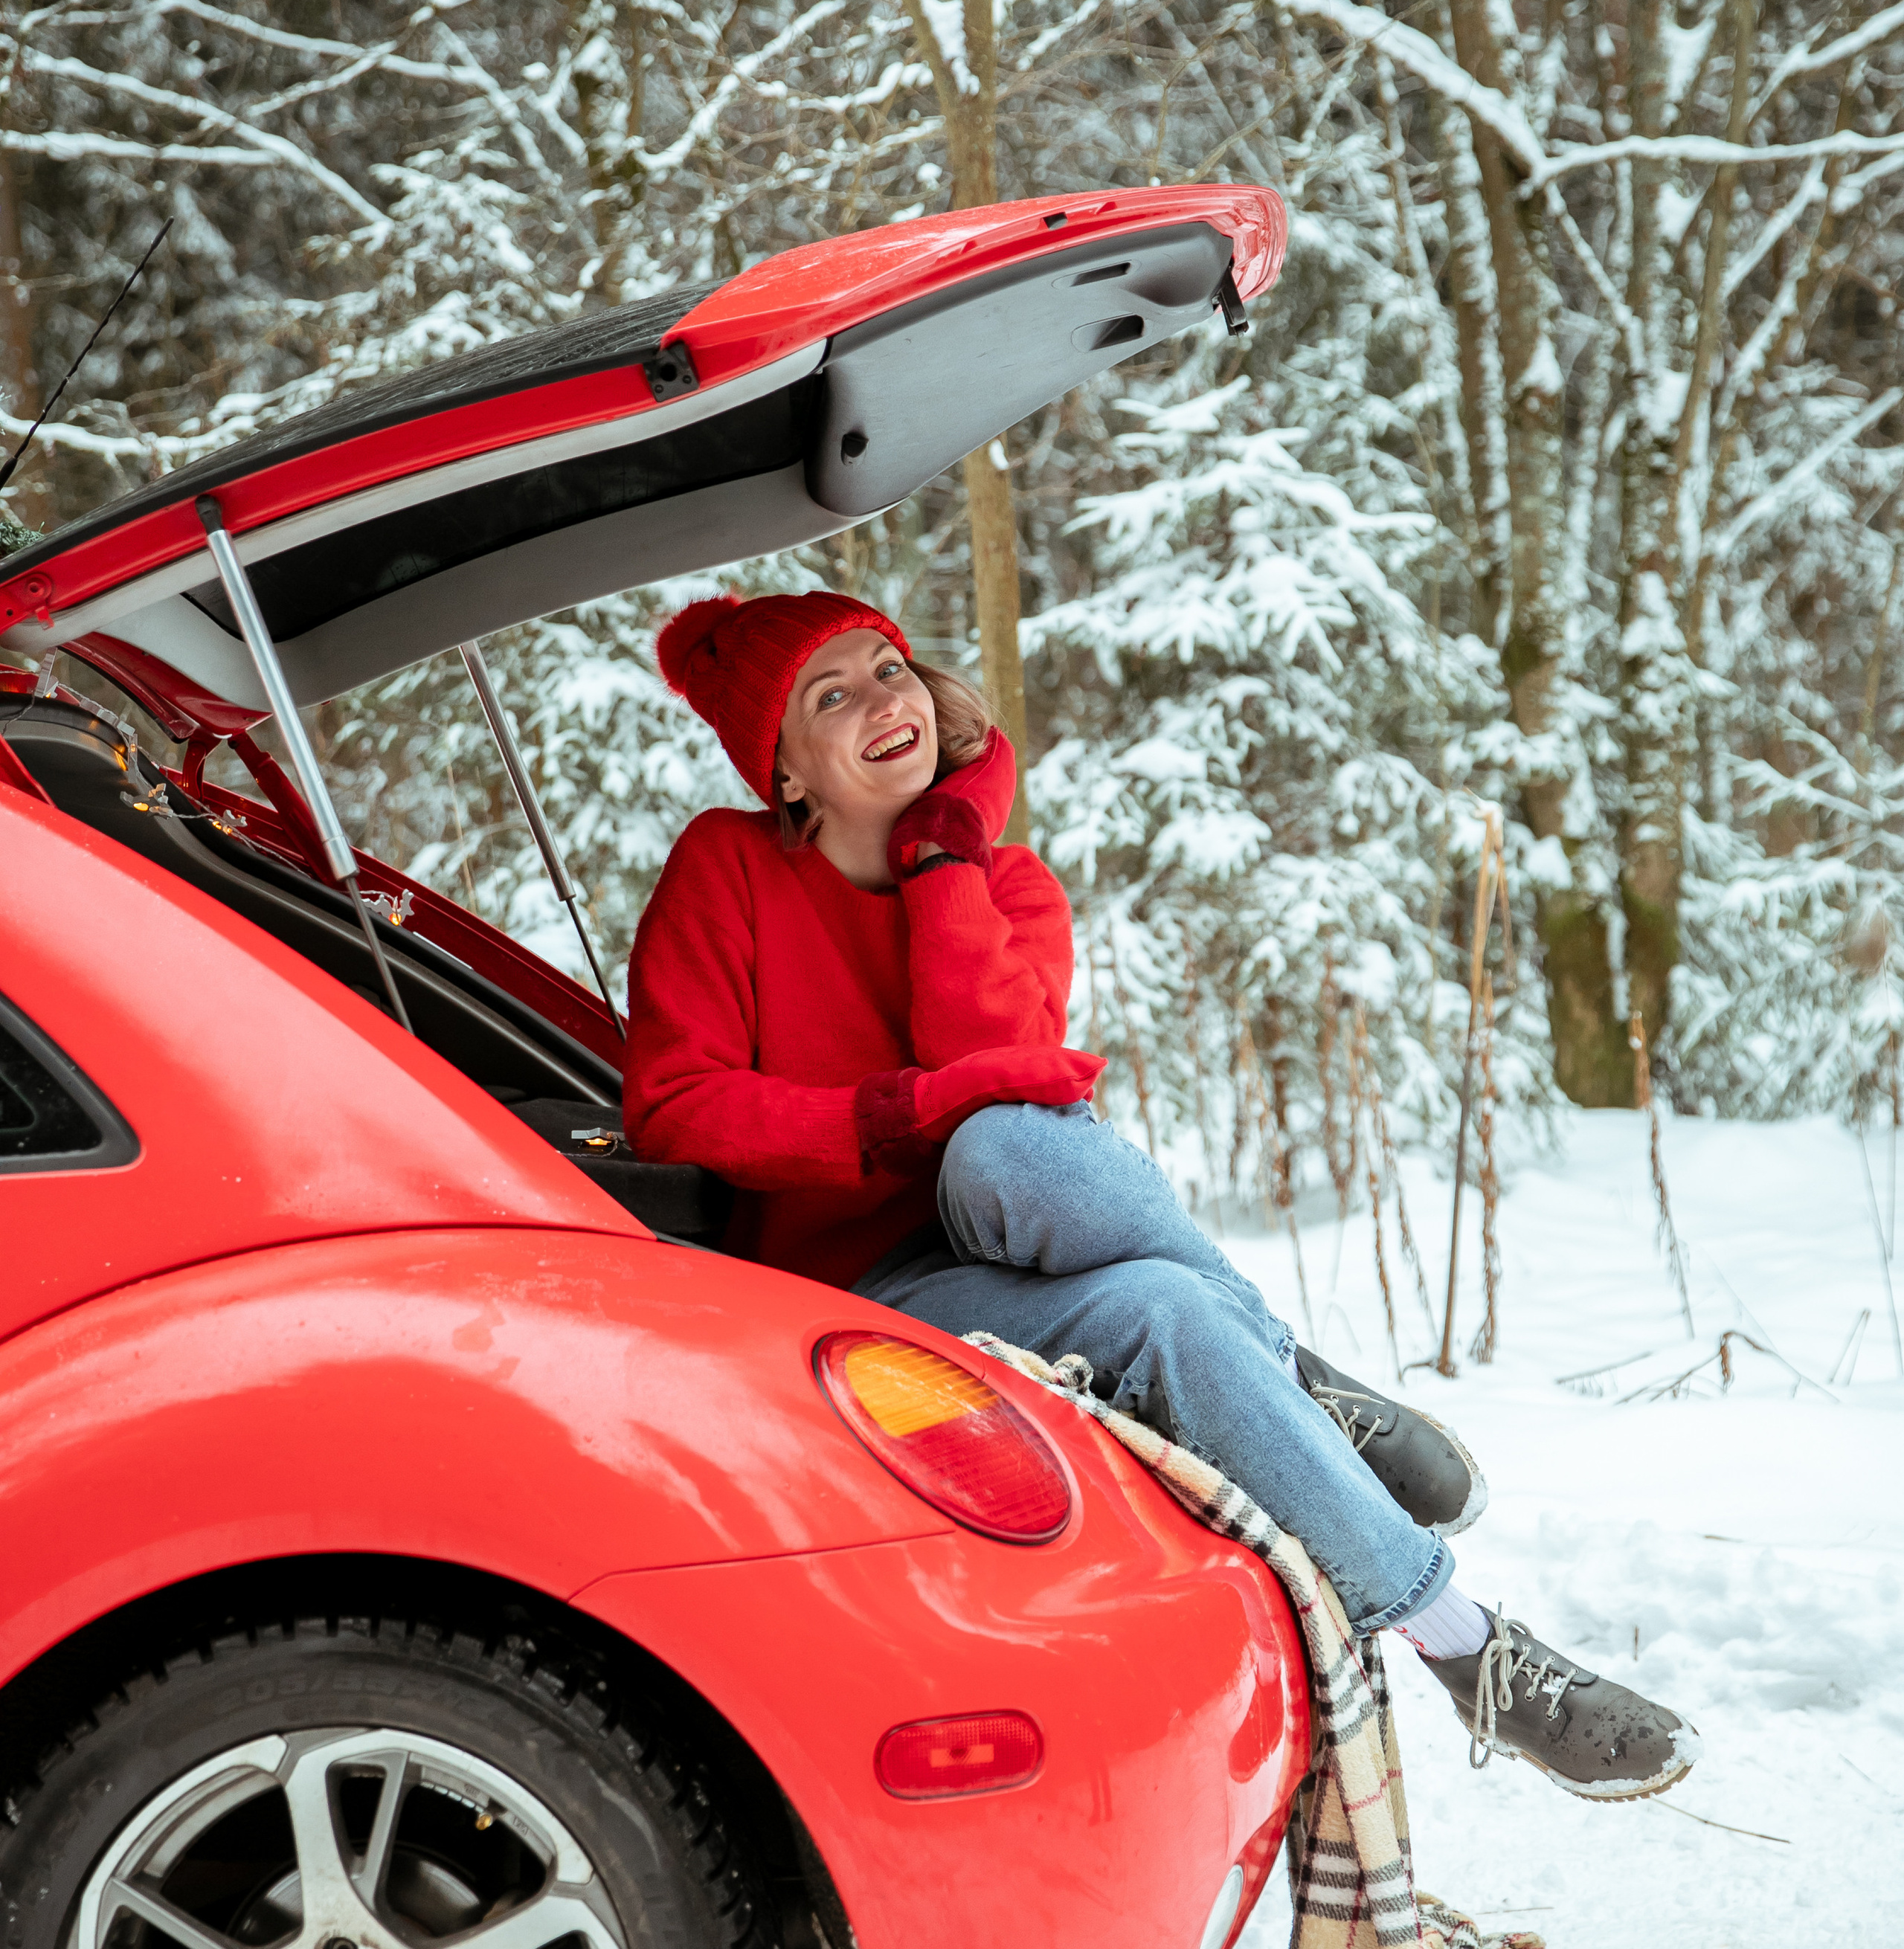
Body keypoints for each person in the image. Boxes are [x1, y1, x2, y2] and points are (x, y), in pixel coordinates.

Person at [625, 588, 1696, 1803]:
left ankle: (1386, 1520)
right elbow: (677, 1104)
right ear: (782, 770)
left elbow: (999, 1067)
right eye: (832, 695)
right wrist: (890, 1118)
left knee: (1010, 1153)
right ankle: (1419, 1567)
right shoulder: (728, 869)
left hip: (1017, 1214)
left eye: (889, 667)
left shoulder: (1008, 884)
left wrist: (944, 859)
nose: (883, 701)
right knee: (1142, 1286)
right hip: (861, 1294)